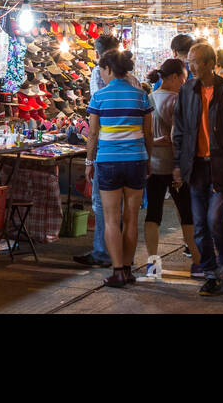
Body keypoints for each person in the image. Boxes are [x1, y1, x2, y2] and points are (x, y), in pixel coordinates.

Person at [172, 43, 223, 296]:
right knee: (200, 226)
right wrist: (177, 164)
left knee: (215, 220)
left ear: (209, 63)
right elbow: (180, 131)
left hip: (221, 167)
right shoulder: (187, 91)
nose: (190, 66)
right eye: (190, 61)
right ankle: (211, 274)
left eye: (195, 61)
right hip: (195, 168)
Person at [84, 49, 152, 287]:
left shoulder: (99, 97)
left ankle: (118, 271)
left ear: (109, 69)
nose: (101, 74)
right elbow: (148, 134)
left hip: (108, 161)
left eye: (102, 70)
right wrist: (147, 161)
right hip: (136, 160)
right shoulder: (141, 96)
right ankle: (129, 268)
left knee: (112, 219)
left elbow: (93, 134)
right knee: (131, 219)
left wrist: (89, 162)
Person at [143, 59, 201, 272]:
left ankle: (153, 264)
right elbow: (179, 137)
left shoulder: (148, 99)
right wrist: (180, 166)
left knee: (153, 214)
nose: (185, 82)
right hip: (174, 167)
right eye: (184, 77)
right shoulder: (178, 101)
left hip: (153, 166)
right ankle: (197, 261)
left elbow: (145, 134)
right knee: (187, 214)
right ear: (175, 76)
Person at [74, 32, 122, 269]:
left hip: (106, 147)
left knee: (102, 204)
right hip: (130, 153)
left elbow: (95, 122)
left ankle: (103, 252)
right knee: (121, 207)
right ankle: (120, 254)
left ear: (99, 53)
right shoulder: (130, 80)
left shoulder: (97, 74)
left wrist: (88, 161)